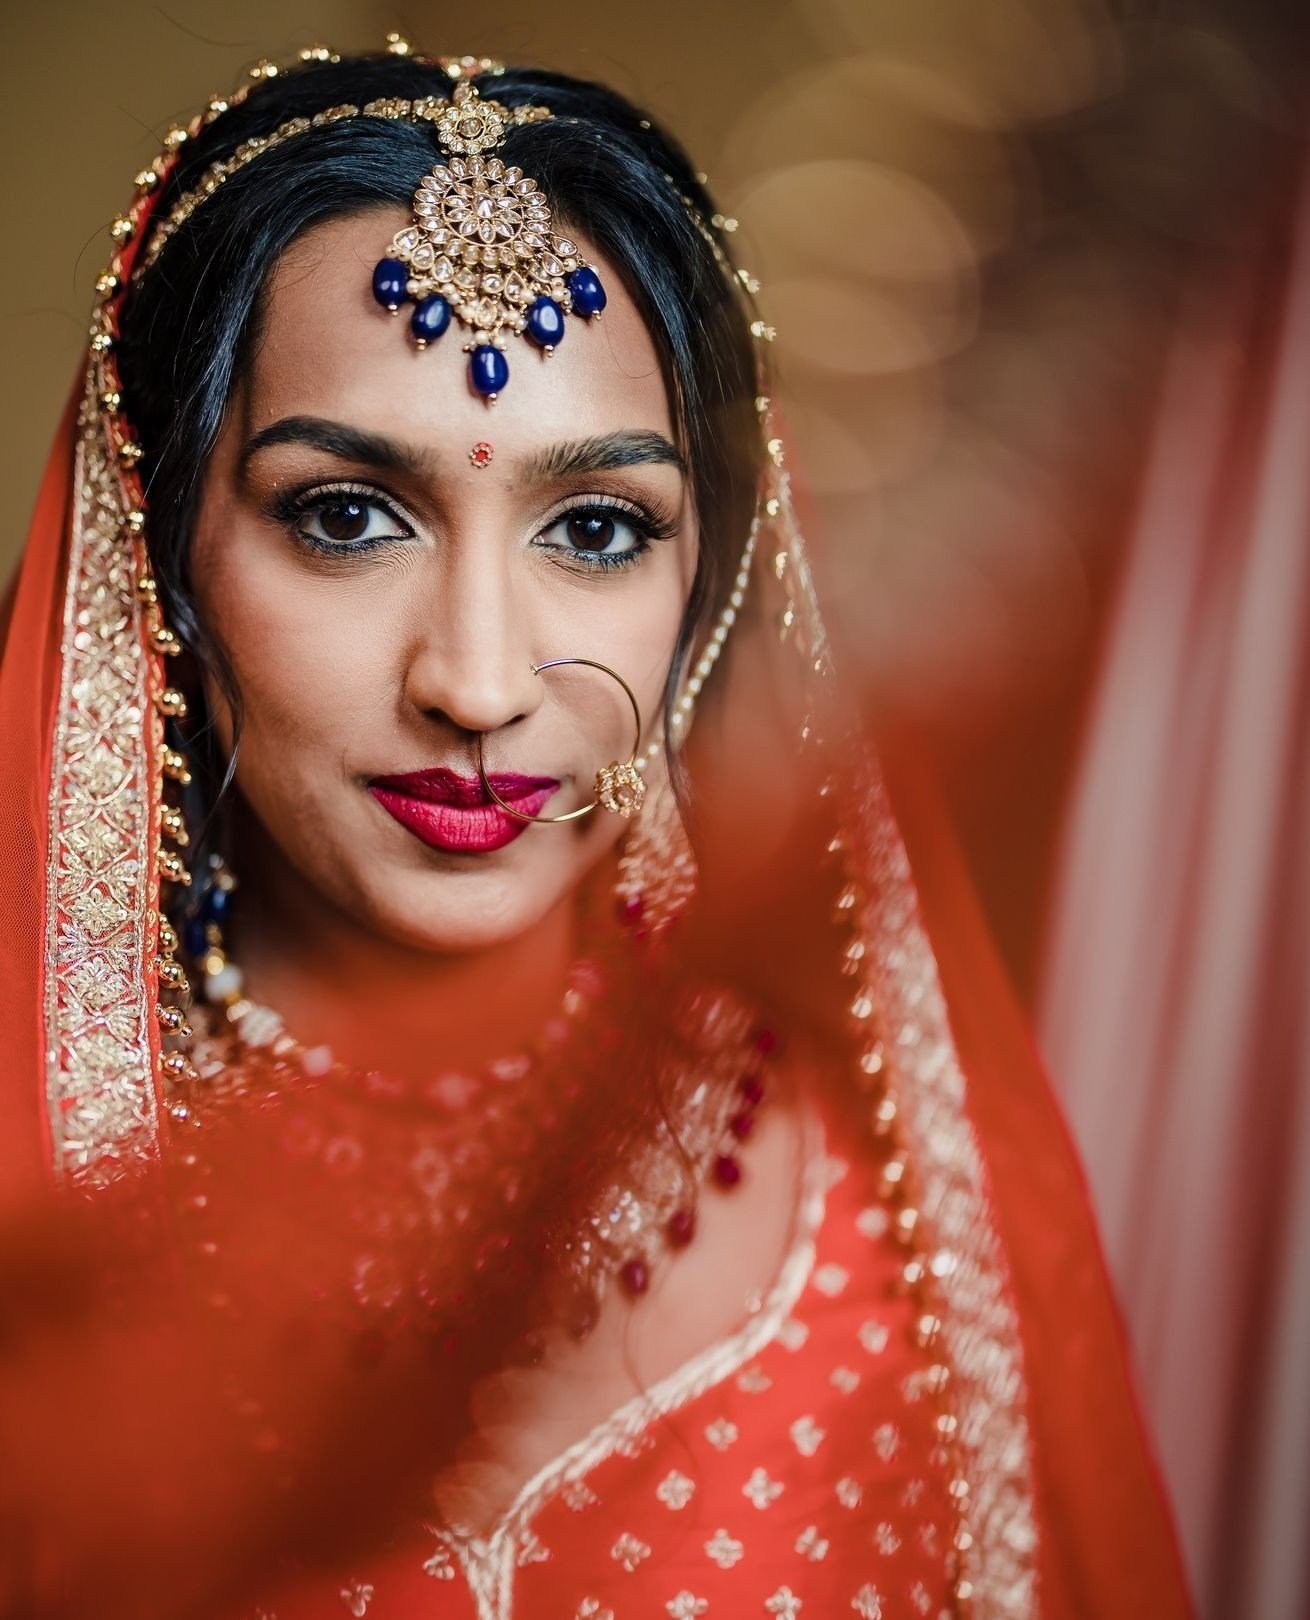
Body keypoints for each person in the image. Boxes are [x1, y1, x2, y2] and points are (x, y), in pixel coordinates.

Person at [0, 37, 1190, 1620]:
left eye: (597, 528)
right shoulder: (44, 1205)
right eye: (346, 516)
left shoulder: (907, 1235)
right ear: (158, 569)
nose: (481, 682)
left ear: (708, 590)